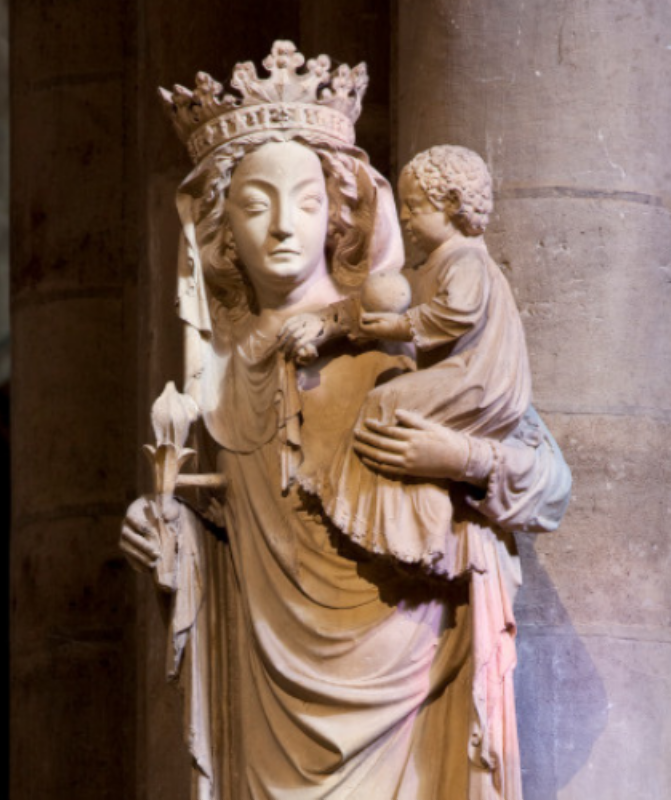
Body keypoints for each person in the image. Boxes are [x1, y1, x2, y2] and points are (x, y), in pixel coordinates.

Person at [120, 42, 571, 800]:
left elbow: (549, 484)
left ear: (340, 209)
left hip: (411, 684)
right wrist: (172, 539)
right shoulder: (214, 385)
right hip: (270, 705)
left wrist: (459, 456)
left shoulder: (401, 329)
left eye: (305, 200)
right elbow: (240, 537)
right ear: (220, 226)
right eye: (256, 204)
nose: (284, 227)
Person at [288, 146, 532, 578]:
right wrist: (335, 322)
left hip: (477, 380)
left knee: (388, 403)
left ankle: (382, 525)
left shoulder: (465, 260)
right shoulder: (433, 267)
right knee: (388, 403)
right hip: (463, 377)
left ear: (453, 206)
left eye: (414, 207)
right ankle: (375, 520)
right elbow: (379, 307)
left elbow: (450, 314)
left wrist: (394, 328)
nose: (404, 218)